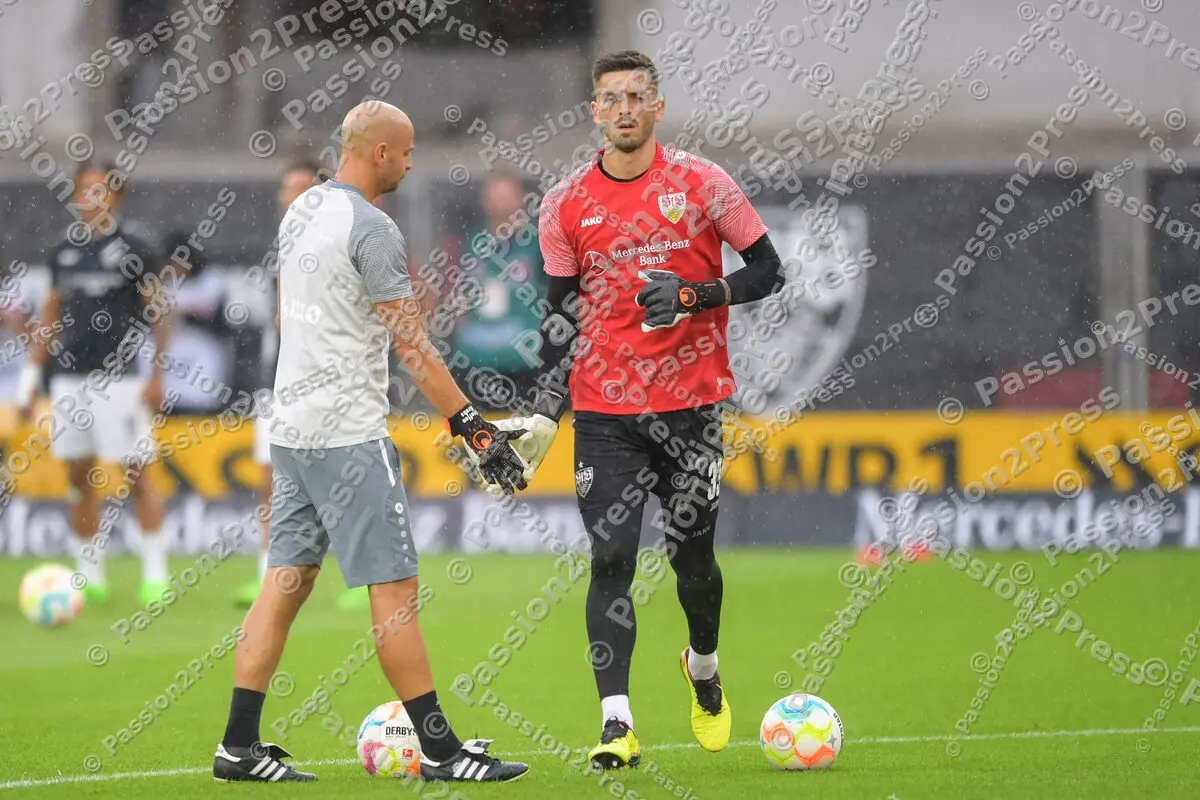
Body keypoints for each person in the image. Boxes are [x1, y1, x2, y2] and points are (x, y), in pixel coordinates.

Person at [213, 100, 530, 784]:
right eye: (407, 150)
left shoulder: (304, 210)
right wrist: (474, 427)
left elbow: (290, 309)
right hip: (347, 436)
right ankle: (443, 752)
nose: (413, 162)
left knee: (285, 583)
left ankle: (237, 746)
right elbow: (413, 346)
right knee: (395, 594)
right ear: (380, 152)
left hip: (293, 429)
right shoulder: (373, 229)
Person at [500, 50, 786, 770]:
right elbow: (559, 321)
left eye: (636, 96)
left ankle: (704, 668)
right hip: (604, 415)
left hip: (691, 409)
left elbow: (768, 271)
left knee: (695, 567)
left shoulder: (703, 183)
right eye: (609, 98)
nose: (623, 108)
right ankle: (617, 723)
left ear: (657, 106)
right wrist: (543, 411)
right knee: (611, 561)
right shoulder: (565, 203)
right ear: (594, 112)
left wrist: (696, 295)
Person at [17, 162, 171, 606]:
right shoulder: (63, 251)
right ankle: (88, 574)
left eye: (99, 190)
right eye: (84, 190)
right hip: (69, 380)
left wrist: (157, 375)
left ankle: (155, 574)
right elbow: (49, 318)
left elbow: (157, 313)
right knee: (78, 476)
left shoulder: (134, 247)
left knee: (137, 472)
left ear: (116, 196)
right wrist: (30, 382)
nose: (90, 198)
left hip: (120, 379)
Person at [451, 171, 546, 411]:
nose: (500, 202)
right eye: (495, 195)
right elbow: (458, 295)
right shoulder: (473, 243)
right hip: (476, 360)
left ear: (521, 199)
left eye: (506, 195)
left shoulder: (538, 243)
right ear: (485, 201)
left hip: (523, 363)